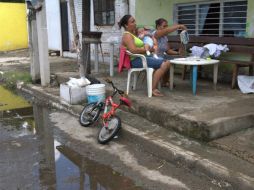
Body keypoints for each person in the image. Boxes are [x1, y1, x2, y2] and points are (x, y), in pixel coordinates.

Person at [118, 15, 171, 97]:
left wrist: (147, 47)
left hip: (140, 58)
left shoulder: (132, 34)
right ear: (126, 25)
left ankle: (157, 85)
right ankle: (153, 89)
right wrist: (148, 50)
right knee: (165, 63)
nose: (135, 23)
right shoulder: (127, 35)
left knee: (164, 61)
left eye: (135, 21)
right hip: (135, 61)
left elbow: (138, 47)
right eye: (132, 22)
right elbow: (133, 50)